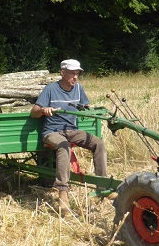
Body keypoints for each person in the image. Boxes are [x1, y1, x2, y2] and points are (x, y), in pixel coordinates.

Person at [30, 59, 108, 214]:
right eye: (72, 73)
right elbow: (34, 112)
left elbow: (84, 107)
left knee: (99, 143)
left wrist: (90, 110)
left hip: (72, 130)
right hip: (52, 132)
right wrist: (44, 110)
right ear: (62, 72)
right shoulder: (50, 89)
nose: (75, 77)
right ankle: (63, 193)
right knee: (64, 146)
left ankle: (102, 188)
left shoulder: (78, 89)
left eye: (77, 73)